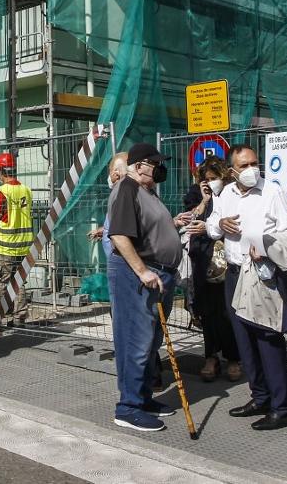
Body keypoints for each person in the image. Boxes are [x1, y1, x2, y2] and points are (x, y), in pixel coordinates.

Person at [208, 144, 287, 430]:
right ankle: (259, 397)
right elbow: (212, 226)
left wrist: (266, 246)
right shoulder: (225, 194)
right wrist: (220, 222)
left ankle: (281, 408)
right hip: (234, 275)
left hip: (264, 275)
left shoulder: (272, 192)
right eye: (244, 166)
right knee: (244, 342)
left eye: (254, 164)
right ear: (232, 170)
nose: (251, 170)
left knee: (268, 341)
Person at [107, 142, 183, 432]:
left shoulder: (146, 192)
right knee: (136, 342)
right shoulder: (127, 188)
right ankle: (128, 407)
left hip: (159, 274)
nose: (160, 168)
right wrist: (142, 271)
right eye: (155, 164)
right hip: (139, 275)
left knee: (151, 342)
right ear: (139, 167)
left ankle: (143, 398)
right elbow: (119, 235)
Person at [183, 157, 242, 382]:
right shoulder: (196, 194)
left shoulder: (232, 195)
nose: (210, 183)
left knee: (228, 311)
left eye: (214, 178)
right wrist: (205, 201)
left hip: (228, 259)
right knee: (206, 312)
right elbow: (190, 220)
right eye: (206, 179)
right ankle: (211, 356)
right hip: (204, 260)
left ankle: (234, 358)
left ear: (224, 177)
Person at [0, 151, 33, 328]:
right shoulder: (26, 190)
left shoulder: (0, 193)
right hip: (23, 246)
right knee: (19, 282)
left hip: (4, 247)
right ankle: (19, 318)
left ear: (1, 172)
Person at [87, 151, 129, 256]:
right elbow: (116, 224)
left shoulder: (122, 195)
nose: (109, 174)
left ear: (116, 173)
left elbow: (121, 231)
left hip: (120, 261)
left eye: (109, 170)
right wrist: (104, 231)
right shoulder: (118, 193)